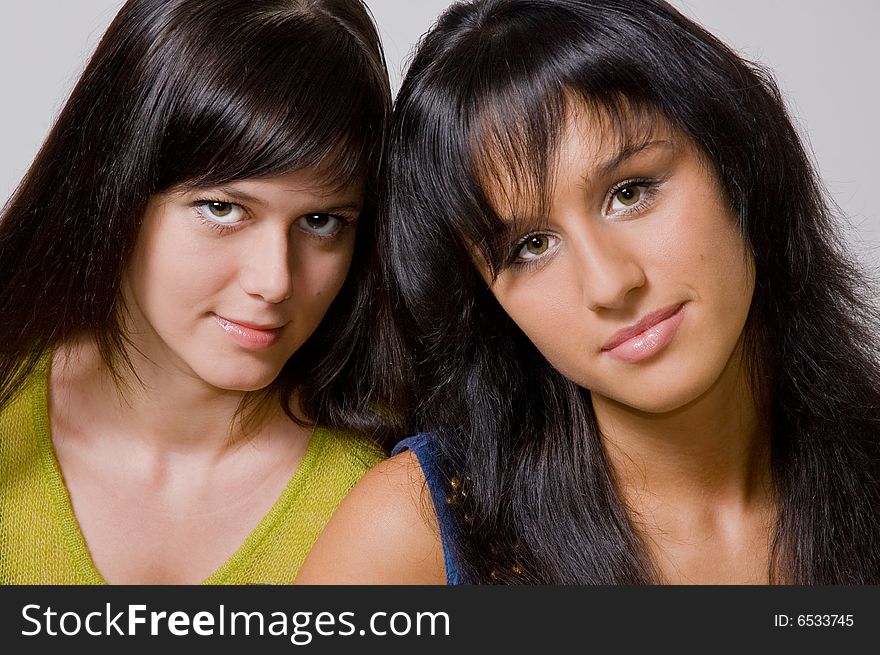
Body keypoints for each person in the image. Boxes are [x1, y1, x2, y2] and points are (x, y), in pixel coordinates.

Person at [296, 0, 880, 584]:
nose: (609, 284)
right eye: (530, 246)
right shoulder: (414, 534)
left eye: (630, 193)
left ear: (738, 161)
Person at [0, 0, 392, 584]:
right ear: (118, 187)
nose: (274, 281)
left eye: (322, 222)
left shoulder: (401, 491)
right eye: (222, 208)